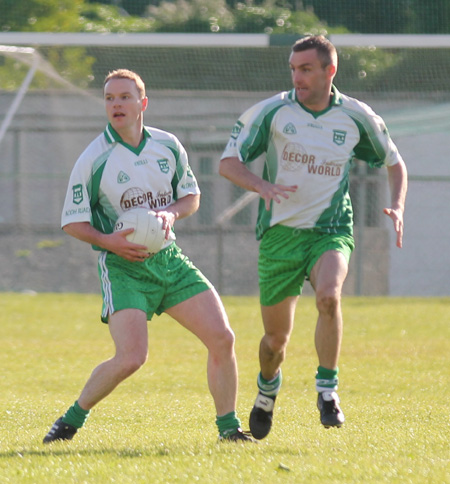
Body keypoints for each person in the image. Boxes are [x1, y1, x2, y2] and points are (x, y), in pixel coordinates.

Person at [43, 69, 254, 444]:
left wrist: (171, 213)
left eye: (124, 97)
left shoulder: (167, 146)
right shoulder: (94, 159)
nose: (116, 104)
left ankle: (229, 431)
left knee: (222, 337)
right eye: (109, 98)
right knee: (131, 357)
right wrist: (112, 243)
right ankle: (70, 421)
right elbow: (72, 223)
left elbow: (191, 197)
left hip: (169, 261)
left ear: (143, 103)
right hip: (124, 268)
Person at [219, 35, 407, 439]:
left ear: (329, 71)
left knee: (328, 296)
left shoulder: (357, 117)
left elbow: (394, 163)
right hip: (279, 237)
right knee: (274, 341)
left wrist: (398, 205)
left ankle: (327, 390)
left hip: (331, 230)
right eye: (293, 69)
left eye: (305, 69)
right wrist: (260, 186)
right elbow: (228, 164)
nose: (297, 77)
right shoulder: (272, 111)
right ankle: (267, 389)